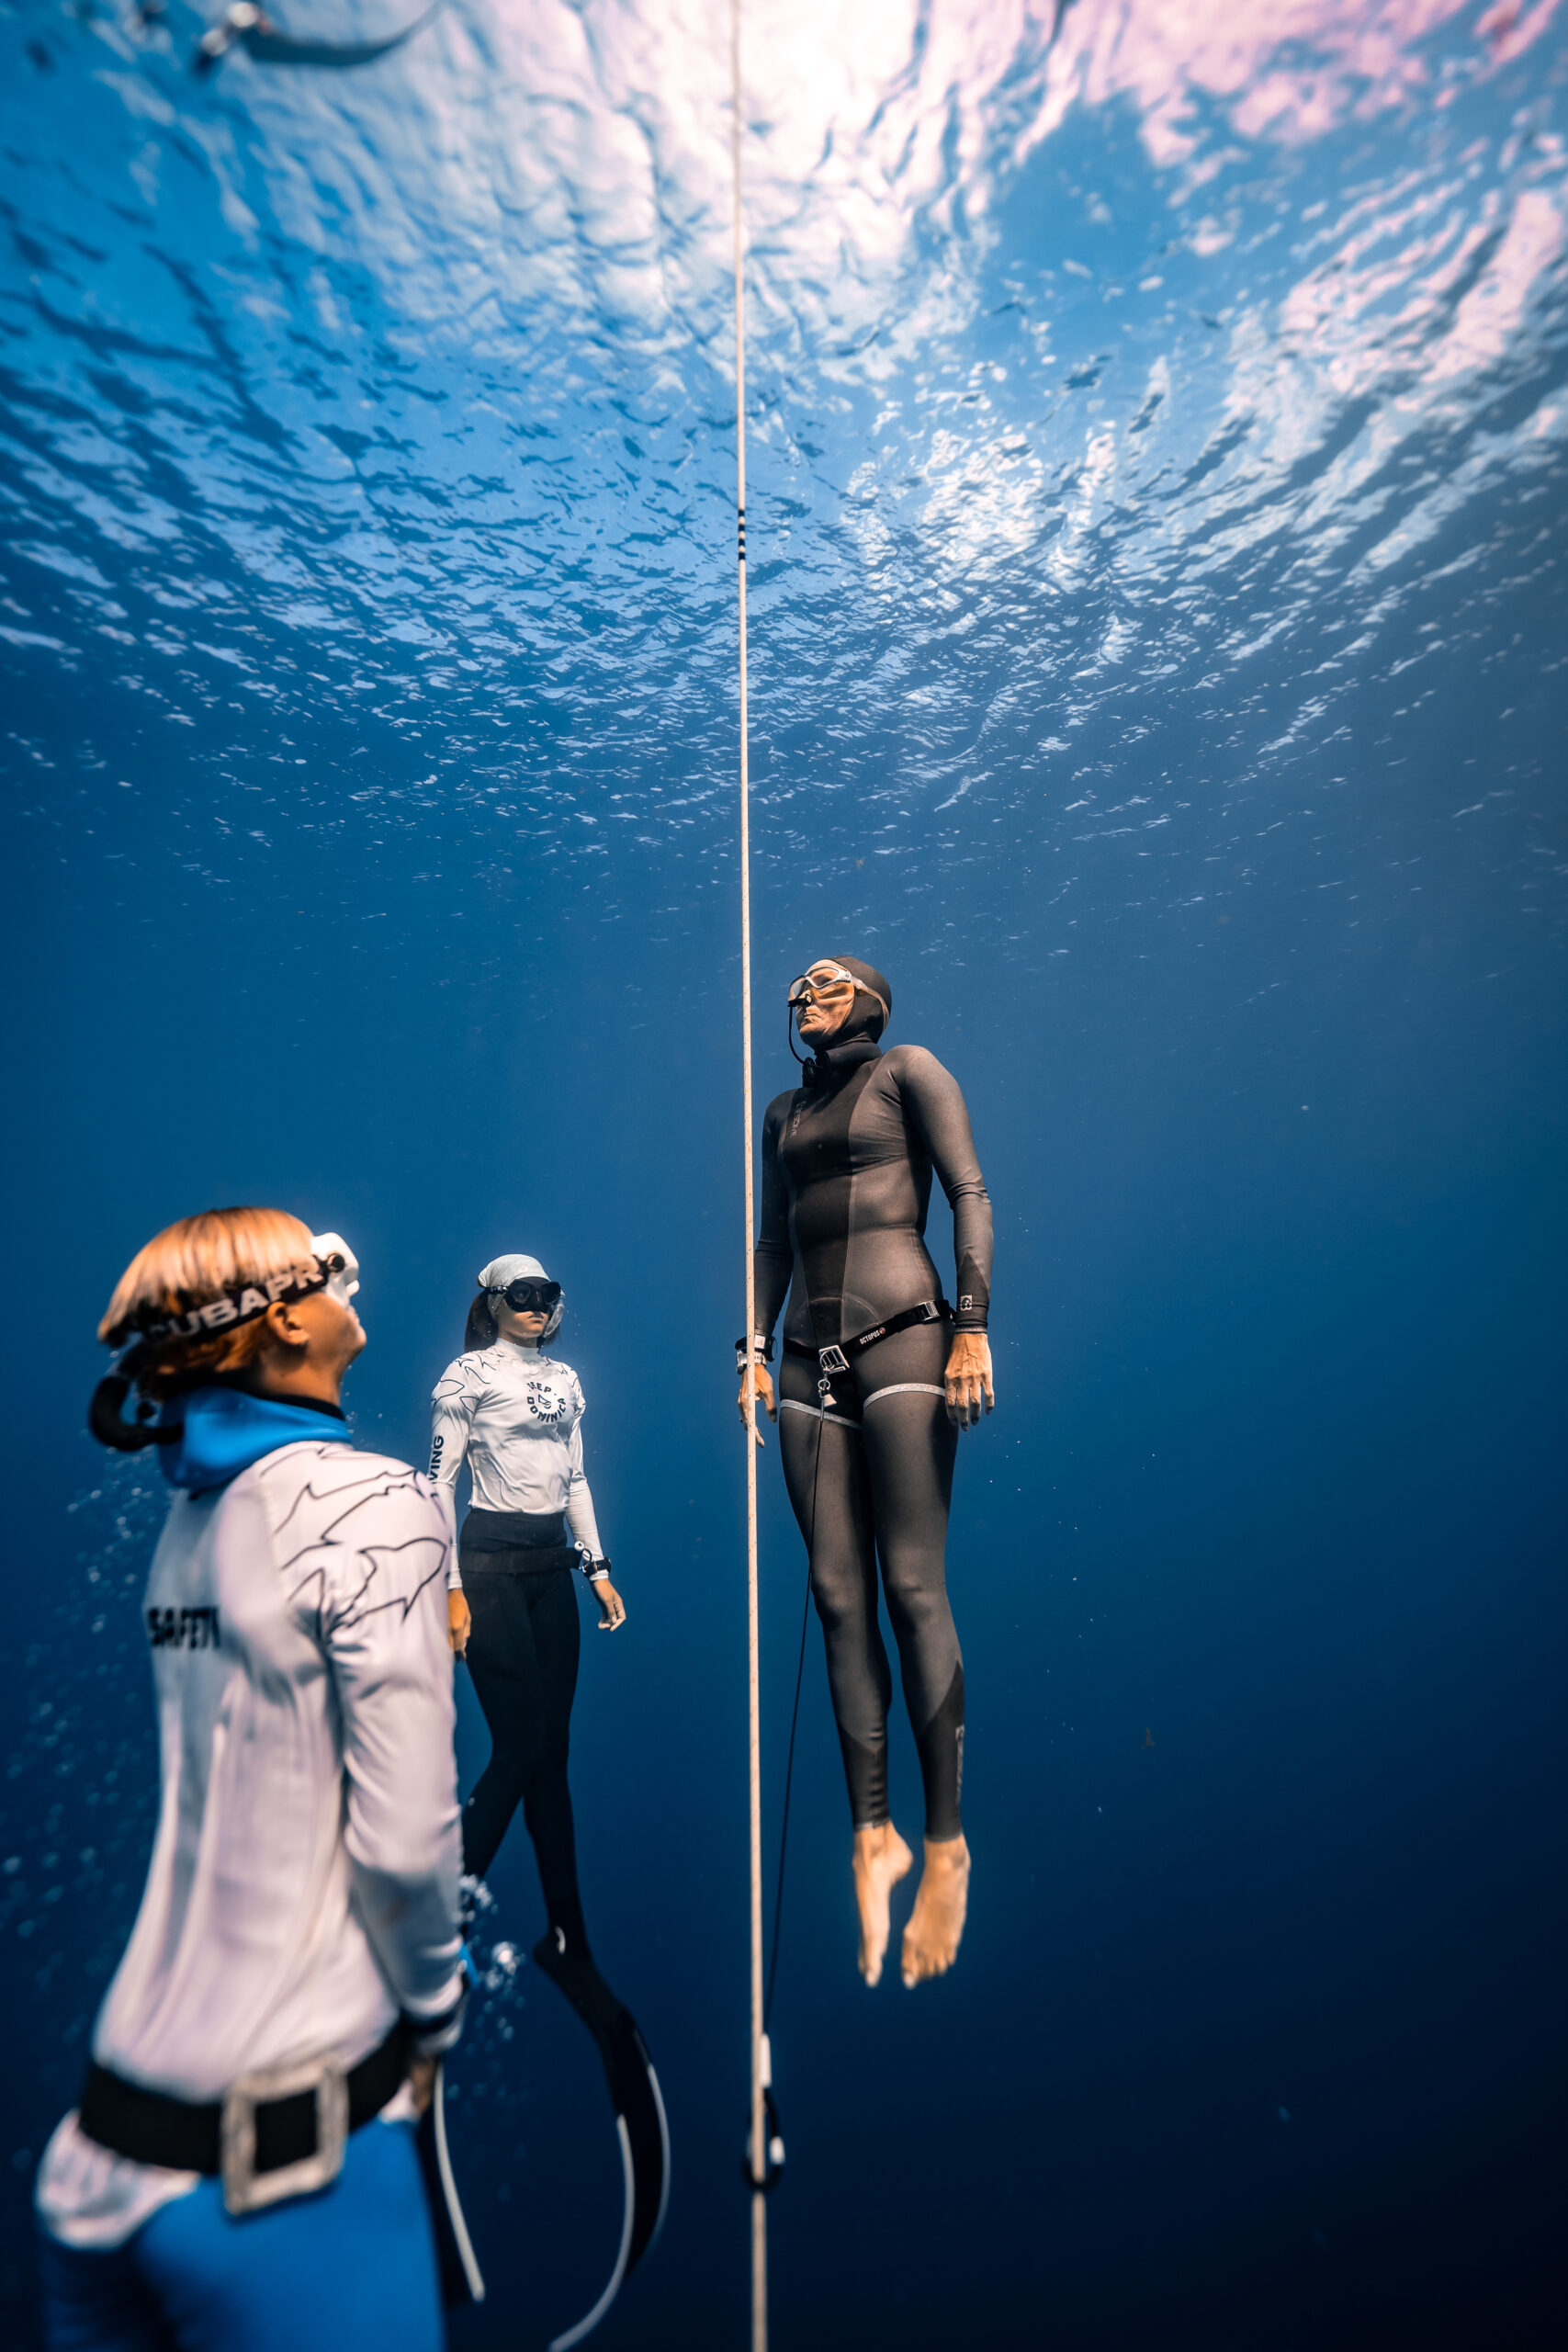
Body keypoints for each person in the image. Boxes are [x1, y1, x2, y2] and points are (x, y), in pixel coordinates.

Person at [37, 1208, 467, 2352]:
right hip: (277, 2177)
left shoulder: (188, 1521)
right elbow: (406, 1845)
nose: (347, 1278)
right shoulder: (381, 1505)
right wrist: (435, 2014)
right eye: (327, 1269)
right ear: (282, 1319)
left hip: (100, 2158)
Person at [738, 956, 994, 1990]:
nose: (808, 989)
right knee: (837, 1595)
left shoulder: (910, 1071)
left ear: (874, 999)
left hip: (908, 1337)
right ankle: (872, 1833)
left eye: (830, 979)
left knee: (910, 1585)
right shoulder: (776, 1112)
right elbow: (769, 1241)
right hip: (803, 1359)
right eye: (800, 983)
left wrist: (974, 1329)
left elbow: (969, 1191)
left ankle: (945, 1844)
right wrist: (749, 1350)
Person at [430, 1260, 668, 2323]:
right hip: (481, 1563)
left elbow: (575, 1474)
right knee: (515, 1753)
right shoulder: (465, 1375)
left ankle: (569, 1937)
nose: (540, 1305)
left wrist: (601, 1563)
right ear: (493, 1299)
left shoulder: (567, 1382)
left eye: (551, 1292)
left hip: (551, 1571)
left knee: (551, 1756)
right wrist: (440, 1585)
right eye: (523, 1293)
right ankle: (444, 1913)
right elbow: (437, 1478)